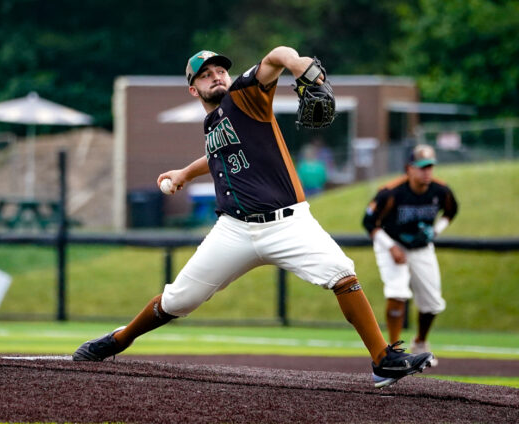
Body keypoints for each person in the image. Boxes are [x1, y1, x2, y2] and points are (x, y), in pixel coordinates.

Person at [73, 46, 433, 387]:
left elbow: (276, 55)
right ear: (192, 90)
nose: (216, 76)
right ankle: (119, 339)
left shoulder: (245, 96)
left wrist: (296, 65)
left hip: (289, 223)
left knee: (341, 273)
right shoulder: (213, 123)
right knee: (177, 301)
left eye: (220, 70)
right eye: (205, 74)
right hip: (233, 230)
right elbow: (218, 155)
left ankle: (382, 360)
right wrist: (185, 172)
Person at [362, 144, 458, 367]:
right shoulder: (391, 192)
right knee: (397, 291)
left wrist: (436, 231)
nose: (427, 172)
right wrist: (391, 247)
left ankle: (421, 342)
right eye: (422, 167)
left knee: (432, 302)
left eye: (430, 167)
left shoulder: (440, 190)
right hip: (391, 243)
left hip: (421, 246)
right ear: (409, 168)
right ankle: (394, 350)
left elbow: (452, 211)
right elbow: (369, 223)